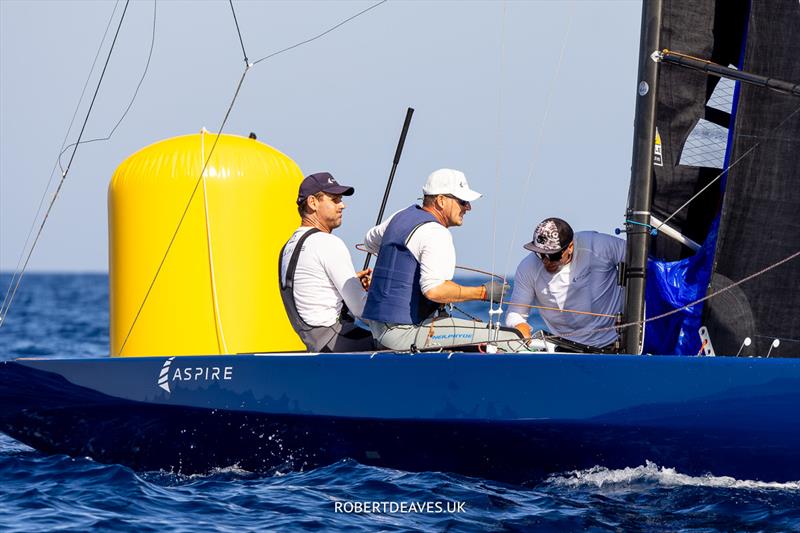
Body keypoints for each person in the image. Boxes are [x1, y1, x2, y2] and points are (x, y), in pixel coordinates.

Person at [362, 168, 527, 352]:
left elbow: (370, 241)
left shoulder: (400, 216)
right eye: (462, 201)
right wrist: (484, 293)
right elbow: (434, 291)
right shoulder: (436, 232)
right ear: (441, 200)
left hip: (378, 329)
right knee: (510, 339)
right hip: (404, 334)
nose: (468, 207)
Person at [279, 172, 374, 352]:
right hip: (336, 342)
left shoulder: (288, 246)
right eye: (335, 199)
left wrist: (351, 281)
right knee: (402, 341)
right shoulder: (327, 243)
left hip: (315, 342)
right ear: (312, 202)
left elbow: (313, 290)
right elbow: (361, 308)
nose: (342, 205)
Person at [505, 217, 625, 350]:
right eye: (541, 254)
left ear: (570, 247)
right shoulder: (527, 267)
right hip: (565, 348)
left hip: (617, 342)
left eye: (553, 255)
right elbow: (515, 313)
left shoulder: (597, 245)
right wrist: (520, 326)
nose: (546, 261)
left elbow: (641, 257)